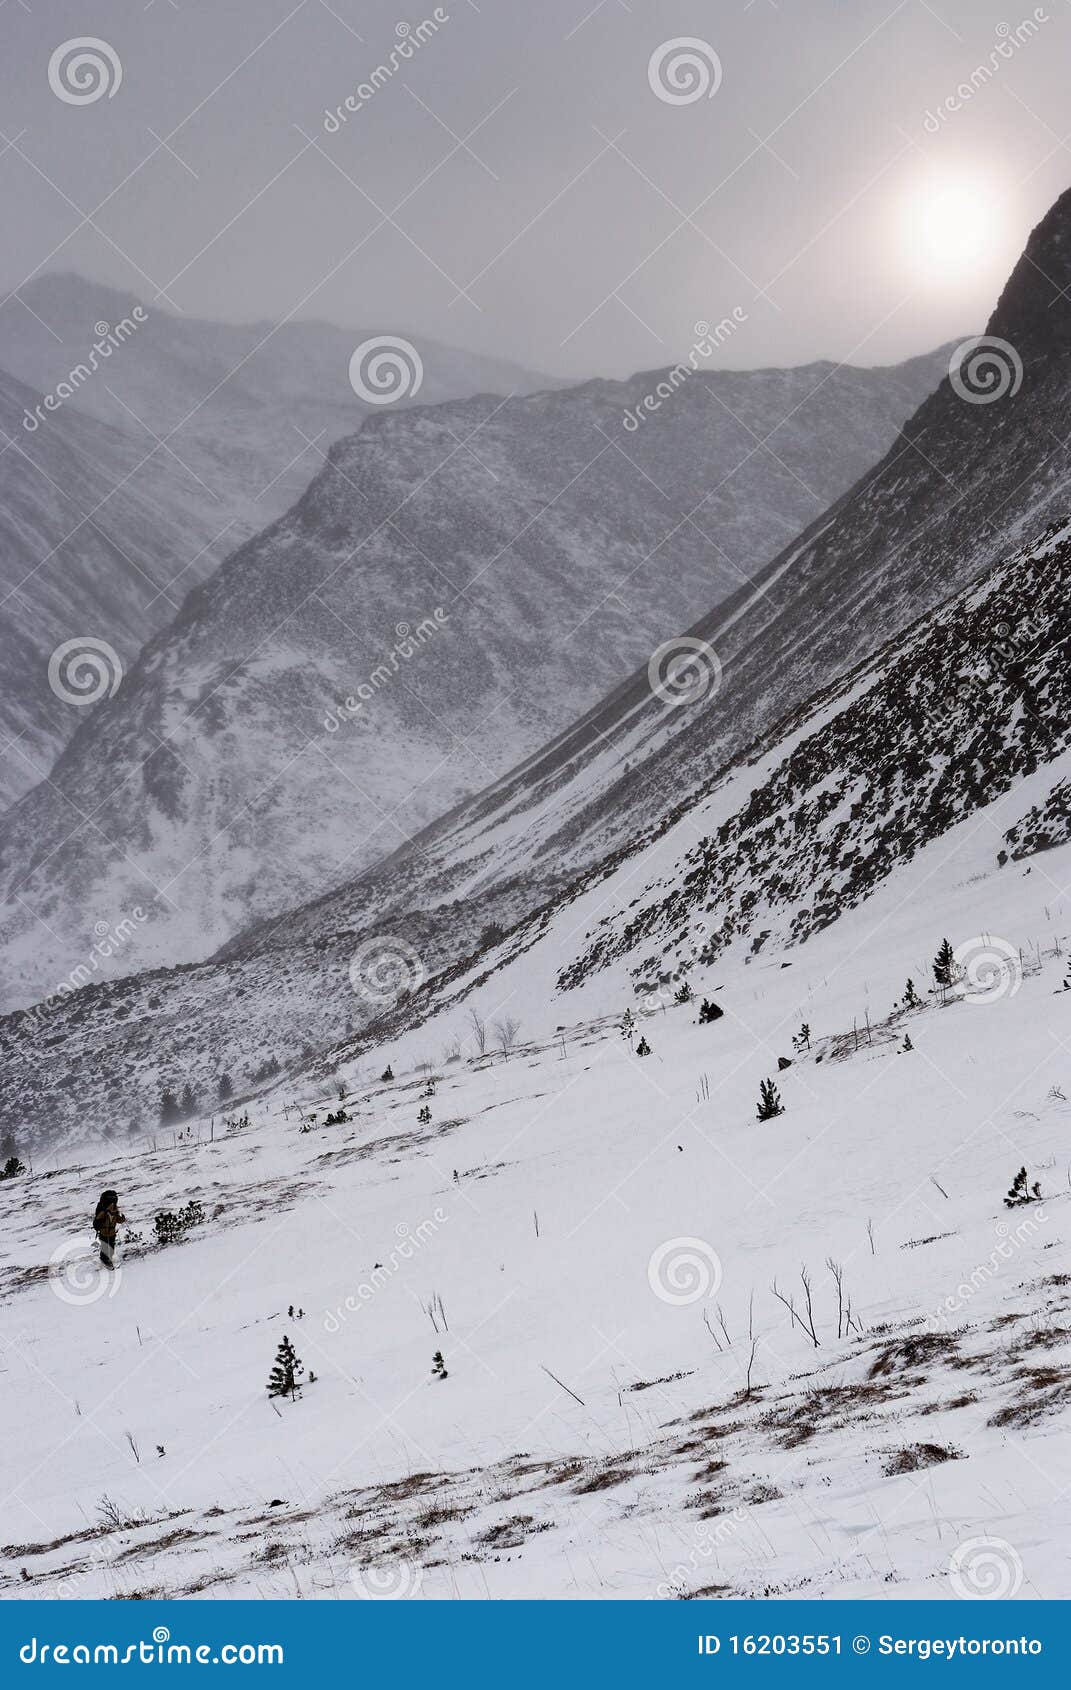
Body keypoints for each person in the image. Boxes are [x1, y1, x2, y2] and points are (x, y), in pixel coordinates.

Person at [92, 1189, 125, 1270]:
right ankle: (105, 1261)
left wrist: (122, 1218)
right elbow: (98, 1218)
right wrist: (106, 1211)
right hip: (104, 1231)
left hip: (111, 1232)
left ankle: (107, 1260)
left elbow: (118, 1220)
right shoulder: (104, 1210)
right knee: (105, 1247)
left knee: (111, 1247)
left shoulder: (114, 1210)